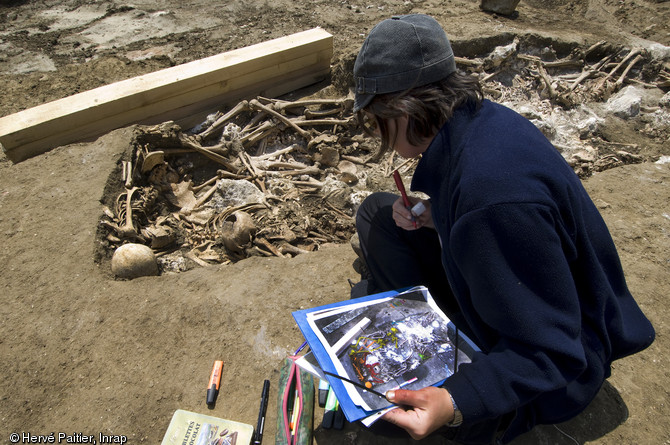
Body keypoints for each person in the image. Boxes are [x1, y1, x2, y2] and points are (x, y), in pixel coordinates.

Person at [351, 14, 655, 444]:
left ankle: (458, 362)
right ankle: (443, 328)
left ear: (401, 110)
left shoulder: (490, 201)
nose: (375, 133)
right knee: (378, 215)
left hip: (557, 365)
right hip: (513, 292)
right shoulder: (481, 119)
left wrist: (454, 403)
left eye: (375, 121)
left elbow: (552, 351)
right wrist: (436, 218)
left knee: (388, 423)